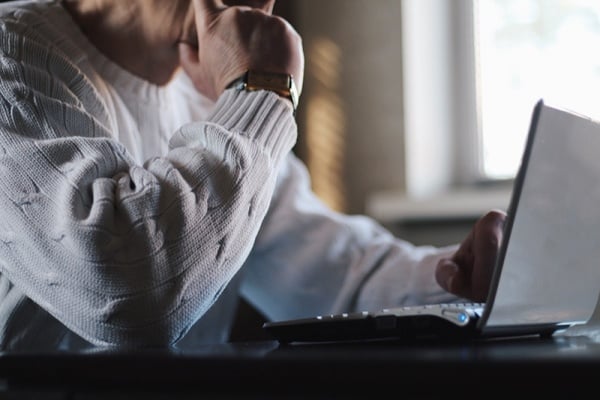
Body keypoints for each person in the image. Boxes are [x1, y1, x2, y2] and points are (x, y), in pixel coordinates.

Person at [0, 0, 506, 350]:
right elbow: (131, 297)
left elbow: (334, 274)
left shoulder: (209, 87)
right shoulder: (13, 52)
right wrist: (261, 91)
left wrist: (459, 279)